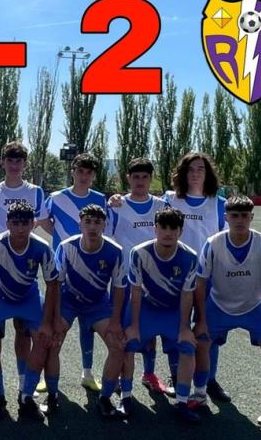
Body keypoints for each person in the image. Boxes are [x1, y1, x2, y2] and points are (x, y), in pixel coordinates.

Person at [191, 195, 261, 438]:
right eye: (234, 215)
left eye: (244, 216)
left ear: (251, 217)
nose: (239, 220)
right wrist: (201, 320)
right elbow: (200, 284)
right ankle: (200, 393)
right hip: (219, 305)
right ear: (225, 217)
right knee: (201, 341)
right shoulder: (213, 243)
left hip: (254, 307)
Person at [0, 141, 49, 399]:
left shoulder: (36, 192)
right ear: (2, 163)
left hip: (25, 264)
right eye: (10, 160)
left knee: (23, 330)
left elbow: (46, 222)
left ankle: (22, 381)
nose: (14, 165)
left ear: (25, 164)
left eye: (19, 160)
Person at [116, 208, 200, 422]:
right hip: (146, 309)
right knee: (128, 344)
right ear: (155, 229)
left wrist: (184, 328)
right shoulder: (139, 252)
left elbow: (187, 295)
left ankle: (182, 402)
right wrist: (134, 326)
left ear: (181, 231)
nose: (168, 233)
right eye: (163, 227)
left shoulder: (190, 256)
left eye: (173, 228)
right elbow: (135, 291)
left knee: (188, 347)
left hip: (173, 311)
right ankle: (125, 397)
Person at [0, 202, 58, 420]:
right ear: (7, 223)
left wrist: (47, 323)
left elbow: (52, 284)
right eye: (15, 223)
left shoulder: (42, 247)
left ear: (33, 224)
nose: (20, 228)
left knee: (42, 338)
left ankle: (26, 396)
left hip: (28, 298)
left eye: (25, 223)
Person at [50, 204, 126, 418]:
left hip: (97, 305)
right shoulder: (66, 247)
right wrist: (55, 318)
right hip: (68, 302)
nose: (92, 227)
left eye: (97, 222)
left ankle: (105, 398)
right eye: (88, 222)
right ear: (80, 224)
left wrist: (115, 321)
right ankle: (52, 395)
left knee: (118, 346)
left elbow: (119, 287)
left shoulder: (115, 250)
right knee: (52, 341)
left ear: (104, 225)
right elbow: (55, 284)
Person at [39, 153, 107, 392]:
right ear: (73, 172)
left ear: (94, 175)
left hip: (90, 269)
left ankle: (87, 373)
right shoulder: (57, 197)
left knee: (88, 324)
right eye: (80, 171)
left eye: (89, 172)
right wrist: (62, 238)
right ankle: (47, 375)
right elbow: (44, 221)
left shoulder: (100, 199)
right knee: (55, 323)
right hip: (63, 268)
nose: (84, 176)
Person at [165, 152, 229, 401]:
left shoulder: (218, 203)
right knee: (176, 328)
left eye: (200, 169)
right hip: (175, 275)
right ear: (183, 173)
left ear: (207, 173)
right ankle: (175, 375)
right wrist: (116, 199)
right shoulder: (170, 200)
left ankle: (209, 379)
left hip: (208, 277)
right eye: (190, 169)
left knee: (207, 331)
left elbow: (225, 240)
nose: (195, 174)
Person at [106, 158, 172, 394]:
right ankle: (117, 374)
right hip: (123, 279)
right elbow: (108, 240)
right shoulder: (116, 205)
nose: (140, 181)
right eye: (136, 177)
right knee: (120, 328)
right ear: (128, 179)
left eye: (145, 177)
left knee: (150, 329)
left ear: (151, 179)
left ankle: (149, 373)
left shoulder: (162, 205)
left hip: (155, 280)